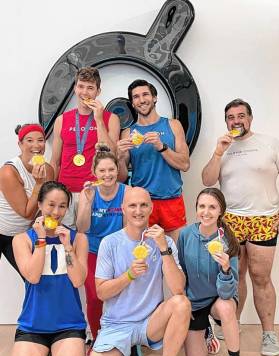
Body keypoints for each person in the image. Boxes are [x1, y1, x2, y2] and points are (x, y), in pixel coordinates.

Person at [84, 187, 191, 356]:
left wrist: (163, 249)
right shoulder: (110, 243)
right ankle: (127, 351)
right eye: (132, 205)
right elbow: (101, 292)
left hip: (150, 323)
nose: (138, 210)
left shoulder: (165, 242)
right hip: (116, 324)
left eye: (144, 205)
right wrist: (129, 275)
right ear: (123, 208)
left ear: (151, 208)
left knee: (181, 303)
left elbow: (178, 288)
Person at [202, 99, 279, 356]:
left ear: (250, 118)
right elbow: (207, 180)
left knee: (260, 276)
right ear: (227, 122)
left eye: (241, 116)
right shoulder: (224, 148)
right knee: (235, 274)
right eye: (231, 117)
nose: (236, 121)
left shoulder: (269, 143)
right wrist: (217, 152)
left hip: (264, 218)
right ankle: (230, 322)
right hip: (232, 219)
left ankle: (269, 333)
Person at [10, 181, 88, 356]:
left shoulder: (78, 239)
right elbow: (33, 277)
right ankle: (45, 353)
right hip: (33, 325)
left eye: (62, 206)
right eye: (51, 205)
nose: (56, 211)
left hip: (68, 324)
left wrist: (68, 247)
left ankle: (56, 352)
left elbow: (78, 280)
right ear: (40, 205)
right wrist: (42, 240)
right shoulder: (21, 240)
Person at [178, 188, 247, 356]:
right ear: (196, 208)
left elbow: (227, 292)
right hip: (196, 301)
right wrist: (184, 303)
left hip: (220, 297)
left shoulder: (227, 240)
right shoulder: (185, 235)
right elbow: (181, 273)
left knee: (226, 308)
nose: (206, 212)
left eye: (212, 207)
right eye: (202, 206)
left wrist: (225, 269)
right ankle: (207, 331)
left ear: (220, 212)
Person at [117, 79, 190, 242]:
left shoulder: (173, 125)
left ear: (155, 98)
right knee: (144, 256)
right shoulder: (128, 132)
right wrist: (120, 158)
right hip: (141, 204)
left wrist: (161, 146)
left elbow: (185, 164)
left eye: (145, 94)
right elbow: (121, 178)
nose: (141, 100)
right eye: (136, 97)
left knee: (176, 255)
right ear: (132, 103)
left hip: (172, 201)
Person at [76, 145, 131, 355]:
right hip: (92, 250)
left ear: (117, 170)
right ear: (94, 172)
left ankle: (124, 338)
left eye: (111, 170)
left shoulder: (127, 192)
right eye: (102, 170)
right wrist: (87, 204)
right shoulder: (88, 192)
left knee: (121, 294)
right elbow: (82, 228)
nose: (107, 175)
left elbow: (128, 229)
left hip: (117, 250)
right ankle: (97, 338)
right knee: (94, 296)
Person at [50, 66, 120, 228]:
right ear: (75, 88)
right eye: (81, 86)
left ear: (98, 91)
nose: (85, 92)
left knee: (90, 240)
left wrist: (99, 119)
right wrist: (50, 194)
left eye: (90, 88)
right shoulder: (62, 120)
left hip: (95, 191)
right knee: (65, 240)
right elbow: (55, 162)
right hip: (65, 193)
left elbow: (112, 154)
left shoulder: (110, 119)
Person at [0, 123, 53, 276]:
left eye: (40, 140)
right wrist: (38, 183)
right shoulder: (8, 172)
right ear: (20, 144)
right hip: (2, 231)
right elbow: (27, 213)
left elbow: (44, 207)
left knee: (33, 278)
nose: (36, 145)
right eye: (29, 140)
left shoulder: (48, 170)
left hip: (21, 235)